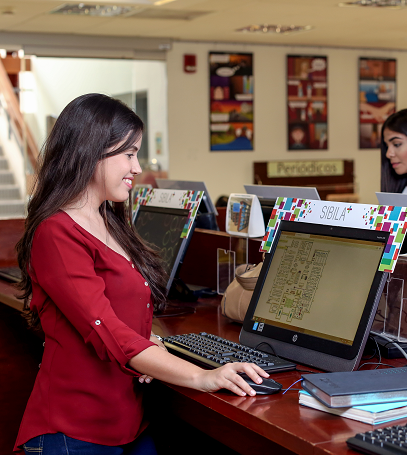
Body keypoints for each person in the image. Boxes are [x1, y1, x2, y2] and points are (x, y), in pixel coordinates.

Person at [14, 94, 269, 454]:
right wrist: (201, 376)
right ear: (91, 151)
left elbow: (122, 314)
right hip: (74, 429)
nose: (136, 167)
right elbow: (106, 329)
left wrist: (152, 346)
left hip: (130, 419)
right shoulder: (56, 232)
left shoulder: (110, 220)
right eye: (128, 153)